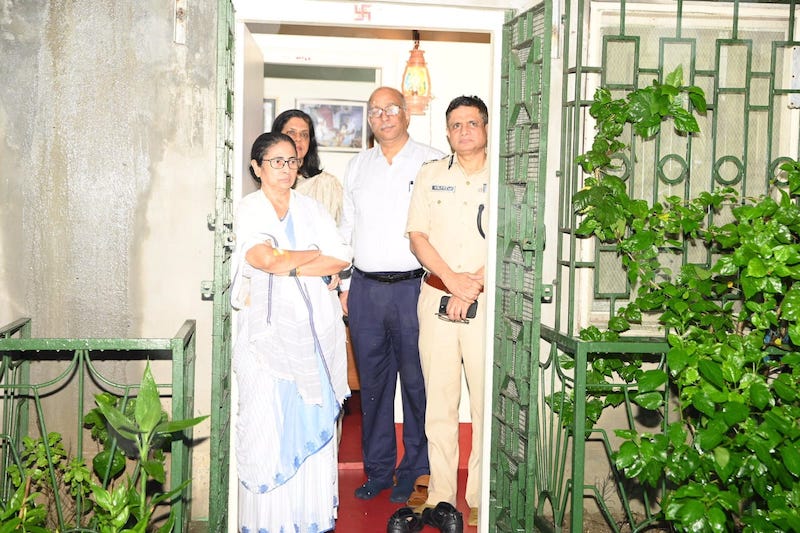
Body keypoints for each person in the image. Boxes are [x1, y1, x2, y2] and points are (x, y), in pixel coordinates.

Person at [231, 131, 352, 533]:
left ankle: (309, 518)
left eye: (291, 161)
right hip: (265, 339)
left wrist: (294, 263)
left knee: (311, 415)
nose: (285, 169)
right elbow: (262, 258)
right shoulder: (249, 208)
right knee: (268, 422)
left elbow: (340, 255)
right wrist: (313, 257)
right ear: (256, 167)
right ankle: (270, 521)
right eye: (275, 161)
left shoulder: (313, 209)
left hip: (314, 332)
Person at [339, 86, 445, 503]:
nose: (383, 117)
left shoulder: (432, 160)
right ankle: (379, 471)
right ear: (369, 120)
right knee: (374, 388)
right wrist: (345, 286)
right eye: (375, 111)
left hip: (412, 289)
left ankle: (414, 471)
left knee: (417, 385)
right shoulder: (357, 166)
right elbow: (347, 226)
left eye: (391, 109)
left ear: (406, 115)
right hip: (365, 290)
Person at [406, 95, 490, 528]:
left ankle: (479, 497)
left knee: (484, 403)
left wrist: (471, 283)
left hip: (485, 301)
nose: (464, 131)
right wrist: (453, 281)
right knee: (439, 405)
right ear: (447, 132)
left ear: (486, 128)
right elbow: (417, 236)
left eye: (472, 123)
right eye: (455, 125)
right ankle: (442, 496)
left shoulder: (505, 178)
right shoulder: (430, 175)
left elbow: (509, 239)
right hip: (436, 299)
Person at [272, 109, 344, 224]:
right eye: (291, 133)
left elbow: (344, 230)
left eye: (304, 134)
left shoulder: (326, 184)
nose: (298, 138)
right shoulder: (269, 182)